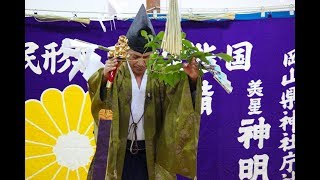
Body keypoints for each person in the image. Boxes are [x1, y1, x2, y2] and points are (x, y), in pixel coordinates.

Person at [87, 4, 202, 180]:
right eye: (135, 57)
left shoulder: (161, 75)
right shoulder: (116, 72)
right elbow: (100, 98)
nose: (140, 63)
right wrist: (104, 76)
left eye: (146, 58)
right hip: (120, 152)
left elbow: (178, 102)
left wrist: (192, 81)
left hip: (152, 152)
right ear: (126, 53)